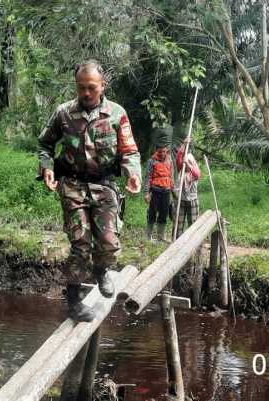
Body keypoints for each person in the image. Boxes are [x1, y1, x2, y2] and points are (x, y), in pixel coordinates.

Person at [37, 60, 142, 322]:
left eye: (91, 88)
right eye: (81, 88)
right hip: (72, 185)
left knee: (108, 244)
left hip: (104, 186)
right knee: (80, 245)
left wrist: (133, 174)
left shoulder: (117, 114)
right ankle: (73, 299)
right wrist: (47, 168)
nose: (85, 93)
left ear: (102, 86)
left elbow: (129, 151)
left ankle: (101, 270)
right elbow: (44, 145)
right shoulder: (63, 113)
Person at [143, 130, 175, 242]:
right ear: (157, 150)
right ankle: (148, 236)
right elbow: (147, 178)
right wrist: (146, 193)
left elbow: (171, 177)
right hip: (155, 191)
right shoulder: (151, 161)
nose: (162, 154)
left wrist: (173, 192)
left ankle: (161, 237)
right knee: (152, 213)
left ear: (167, 151)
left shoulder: (170, 160)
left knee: (164, 213)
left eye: (164, 151)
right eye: (160, 151)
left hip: (166, 191)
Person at [174, 139, 200, 235]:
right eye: (186, 161)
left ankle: (192, 244)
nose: (186, 164)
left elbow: (197, 175)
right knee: (178, 224)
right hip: (180, 200)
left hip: (192, 200)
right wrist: (184, 145)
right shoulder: (182, 170)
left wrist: (188, 163)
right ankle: (176, 245)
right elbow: (178, 159)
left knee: (192, 224)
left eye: (189, 161)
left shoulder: (194, 171)